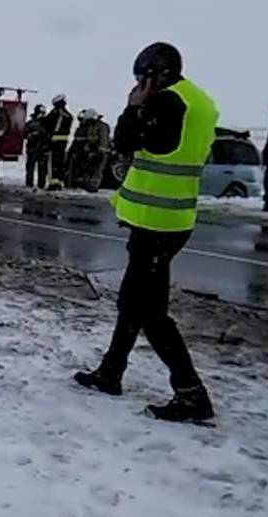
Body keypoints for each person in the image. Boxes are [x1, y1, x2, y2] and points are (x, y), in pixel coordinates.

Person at [74, 42, 219, 423]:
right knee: (132, 301)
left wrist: (134, 107)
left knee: (150, 312)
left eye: (143, 77)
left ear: (158, 74)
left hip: (156, 220)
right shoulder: (199, 101)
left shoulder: (167, 102)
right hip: (172, 218)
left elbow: (129, 142)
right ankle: (111, 371)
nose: (139, 84)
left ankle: (191, 393)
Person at [43, 94, 73, 190]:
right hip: (64, 141)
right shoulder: (67, 114)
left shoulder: (55, 113)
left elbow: (47, 124)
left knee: (52, 163)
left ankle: (53, 184)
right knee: (60, 162)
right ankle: (59, 182)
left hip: (54, 141)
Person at [24, 105, 49, 189]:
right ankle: (29, 183)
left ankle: (41, 184)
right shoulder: (30, 123)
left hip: (42, 147)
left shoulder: (46, 124)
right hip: (33, 147)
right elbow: (25, 134)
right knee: (30, 166)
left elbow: (48, 135)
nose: (42, 115)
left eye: (43, 113)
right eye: (41, 113)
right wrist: (31, 135)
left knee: (42, 168)